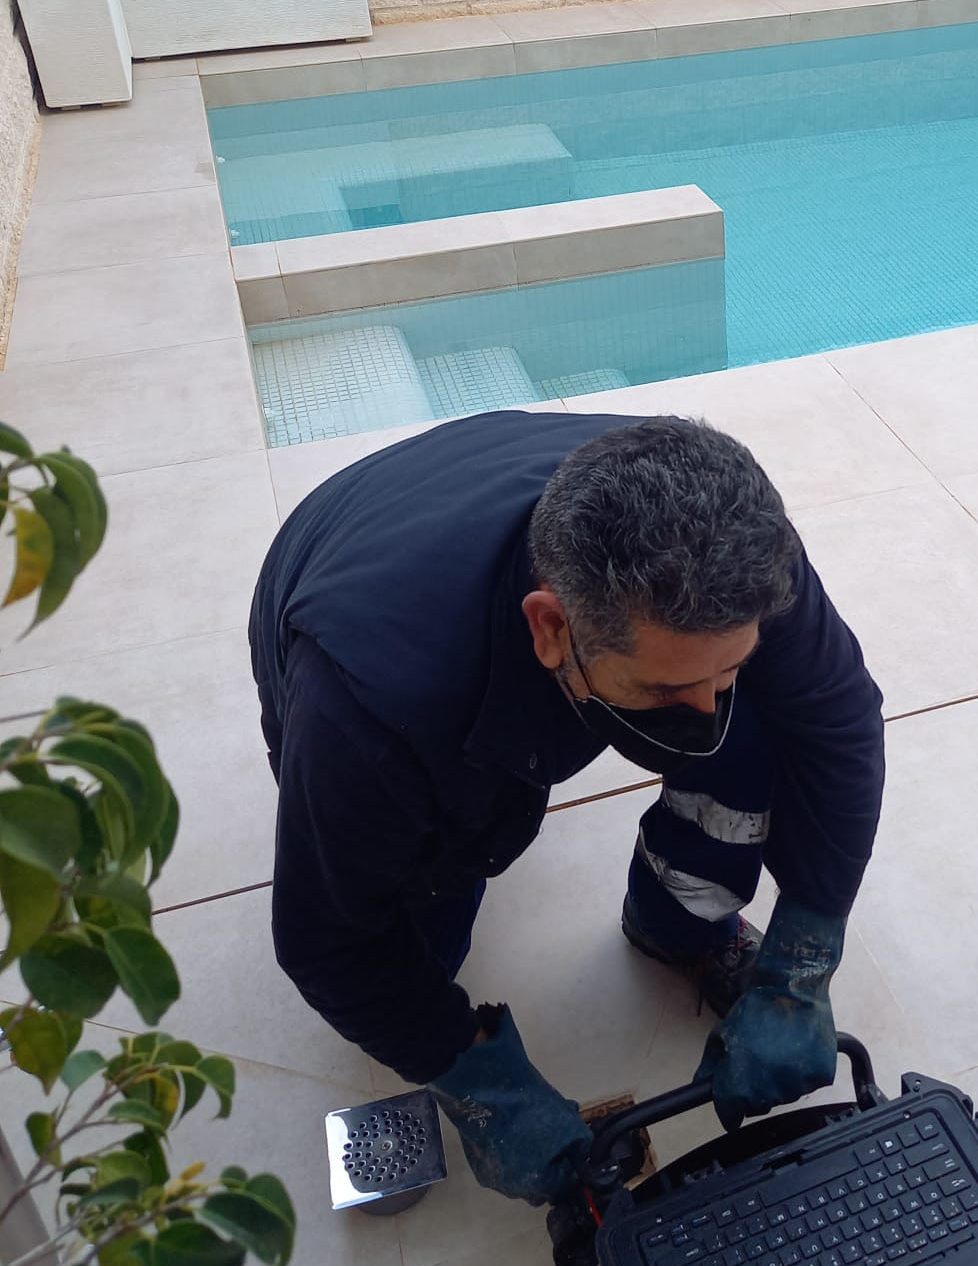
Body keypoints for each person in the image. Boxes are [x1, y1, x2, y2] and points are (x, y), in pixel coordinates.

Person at [249, 410, 886, 1209]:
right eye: (667, 689)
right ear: (550, 629)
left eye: (727, 670)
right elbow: (327, 941)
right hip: (339, 565)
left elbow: (837, 721)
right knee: (417, 938)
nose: (704, 715)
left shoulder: (737, 546)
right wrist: (478, 1083)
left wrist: (803, 961)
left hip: (497, 483)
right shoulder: (370, 707)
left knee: (758, 731)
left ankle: (676, 923)